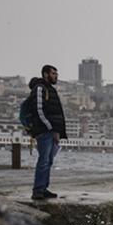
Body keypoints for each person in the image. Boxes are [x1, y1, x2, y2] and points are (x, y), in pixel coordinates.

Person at [29, 65, 67, 200]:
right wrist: (50, 127)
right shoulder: (40, 88)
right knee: (44, 160)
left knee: (49, 161)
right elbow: (39, 110)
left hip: (52, 132)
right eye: (53, 73)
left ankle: (43, 188)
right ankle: (38, 190)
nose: (56, 76)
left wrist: (57, 131)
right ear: (46, 74)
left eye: (56, 73)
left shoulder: (50, 89)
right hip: (44, 131)